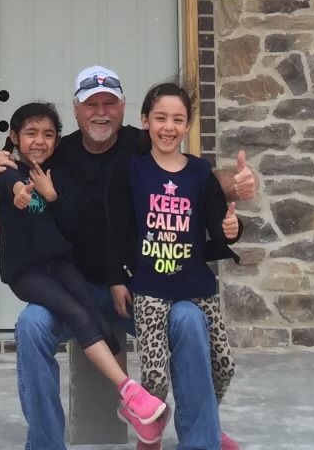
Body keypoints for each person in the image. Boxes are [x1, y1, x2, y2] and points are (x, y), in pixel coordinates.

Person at [0, 65, 257, 450]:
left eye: (110, 103)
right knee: (31, 326)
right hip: (73, 290)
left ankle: (201, 439)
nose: (101, 112)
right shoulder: (56, 155)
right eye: (91, 104)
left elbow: (196, 174)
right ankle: (44, 444)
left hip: (141, 290)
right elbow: (2, 220)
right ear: (76, 111)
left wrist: (235, 184)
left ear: (124, 108)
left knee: (191, 319)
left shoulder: (140, 145)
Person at [0, 101, 169, 443]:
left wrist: (52, 196)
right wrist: (15, 191)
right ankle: (127, 391)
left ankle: (129, 403)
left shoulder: (60, 174)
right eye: (31, 134)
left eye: (48, 134)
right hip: (29, 272)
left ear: (58, 139)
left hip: (62, 264)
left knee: (96, 320)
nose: (39, 141)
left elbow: (70, 226)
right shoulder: (6, 170)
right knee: (63, 316)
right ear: (14, 137)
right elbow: (4, 196)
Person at [114, 82, 240, 447]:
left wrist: (233, 229)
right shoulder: (134, 171)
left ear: (187, 126)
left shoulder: (200, 172)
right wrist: (117, 278)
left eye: (178, 119)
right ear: (145, 122)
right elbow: (118, 227)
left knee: (224, 367)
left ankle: (205, 425)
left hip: (197, 287)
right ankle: (149, 429)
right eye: (160, 118)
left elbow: (220, 225)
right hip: (151, 290)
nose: (169, 127)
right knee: (154, 378)